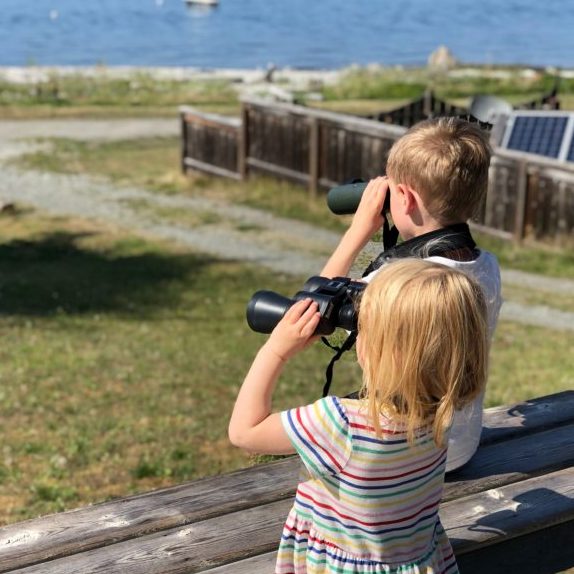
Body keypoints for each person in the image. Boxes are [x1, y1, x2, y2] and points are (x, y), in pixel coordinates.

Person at [229, 259, 489, 574]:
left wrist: (276, 350)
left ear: (386, 352)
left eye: (364, 327)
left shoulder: (340, 423)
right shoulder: (440, 410)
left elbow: (245, 431)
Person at [321, 117, 502, 472]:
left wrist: (363, 229)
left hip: (402, 458)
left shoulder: (392, 283)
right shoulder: (487, 266)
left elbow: (317, 302)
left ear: (403, 196)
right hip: (459, 448)